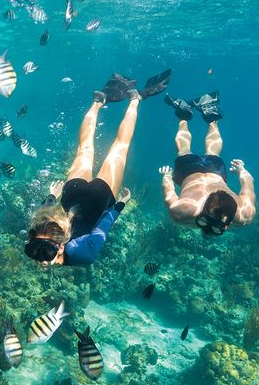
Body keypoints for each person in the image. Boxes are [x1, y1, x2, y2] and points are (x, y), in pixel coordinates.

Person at [25, 69, 171, 266]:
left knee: (120, 147)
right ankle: (98, 102)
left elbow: (103, 226)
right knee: (84, 148)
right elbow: (41, 217)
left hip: (100, 199)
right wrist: (51, 196)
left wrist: (120, 205)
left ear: (61, 246)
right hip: (72, 194)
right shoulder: (38, 232)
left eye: (38, 252)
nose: (41, 260)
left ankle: (135, 100)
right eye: (36, 253)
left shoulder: (83, 256)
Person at [160, 91, 256, 235]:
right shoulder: (244, 215)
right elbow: (169, 195)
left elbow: (248, 182)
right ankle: (184, 116)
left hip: (214, 170)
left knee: (211, 153)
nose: (210, 226)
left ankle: (206, 117)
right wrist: (167, 176)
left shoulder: (245, 214)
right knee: (184, 151)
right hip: (190, 172)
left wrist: (242, 170)